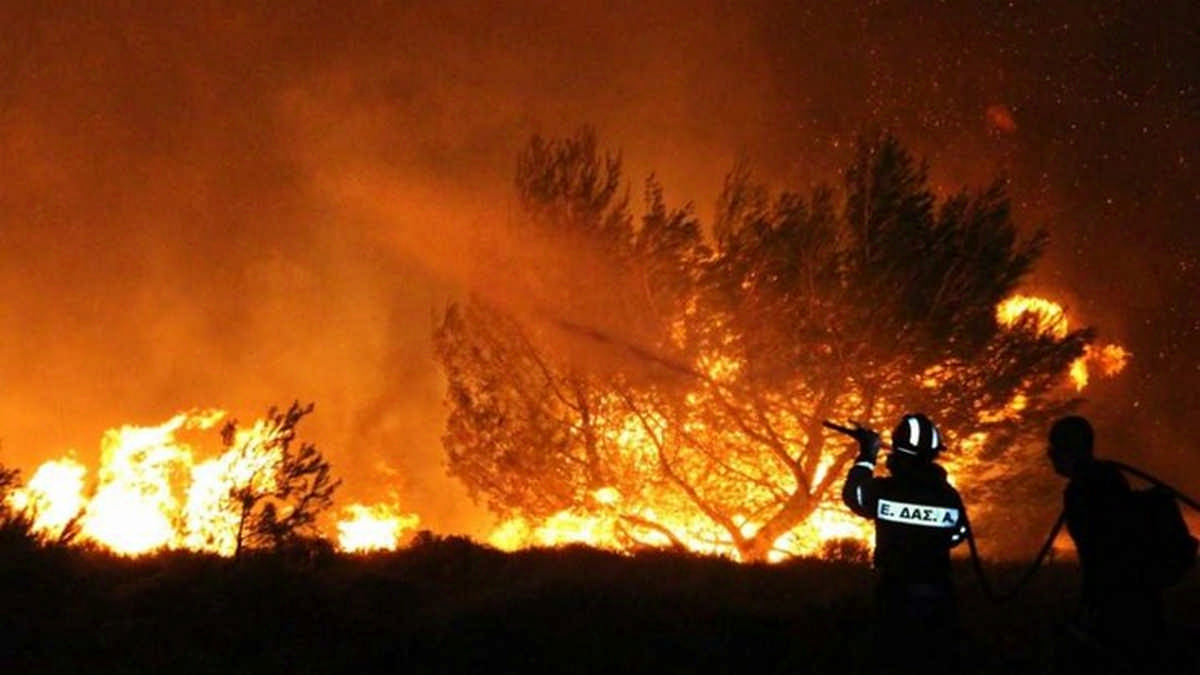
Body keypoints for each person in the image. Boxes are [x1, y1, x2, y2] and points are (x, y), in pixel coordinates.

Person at [840, 413, 968, 671]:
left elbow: (854, 494)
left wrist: (867, 454)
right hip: (939, 589)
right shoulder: (948, 495)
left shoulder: (885, 490)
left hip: (895, 588)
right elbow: (958, 535)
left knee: (894, 654)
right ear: (933, 455)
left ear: (897, 451)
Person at [1047, 415, 1164, 657]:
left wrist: (1090, 607)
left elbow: (1099, 554)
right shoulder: (1106, 476)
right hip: (1136, 590)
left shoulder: (1083, 488)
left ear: (1070, 449)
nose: (1051, 454)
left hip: (1121, 597)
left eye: (1055, 447)